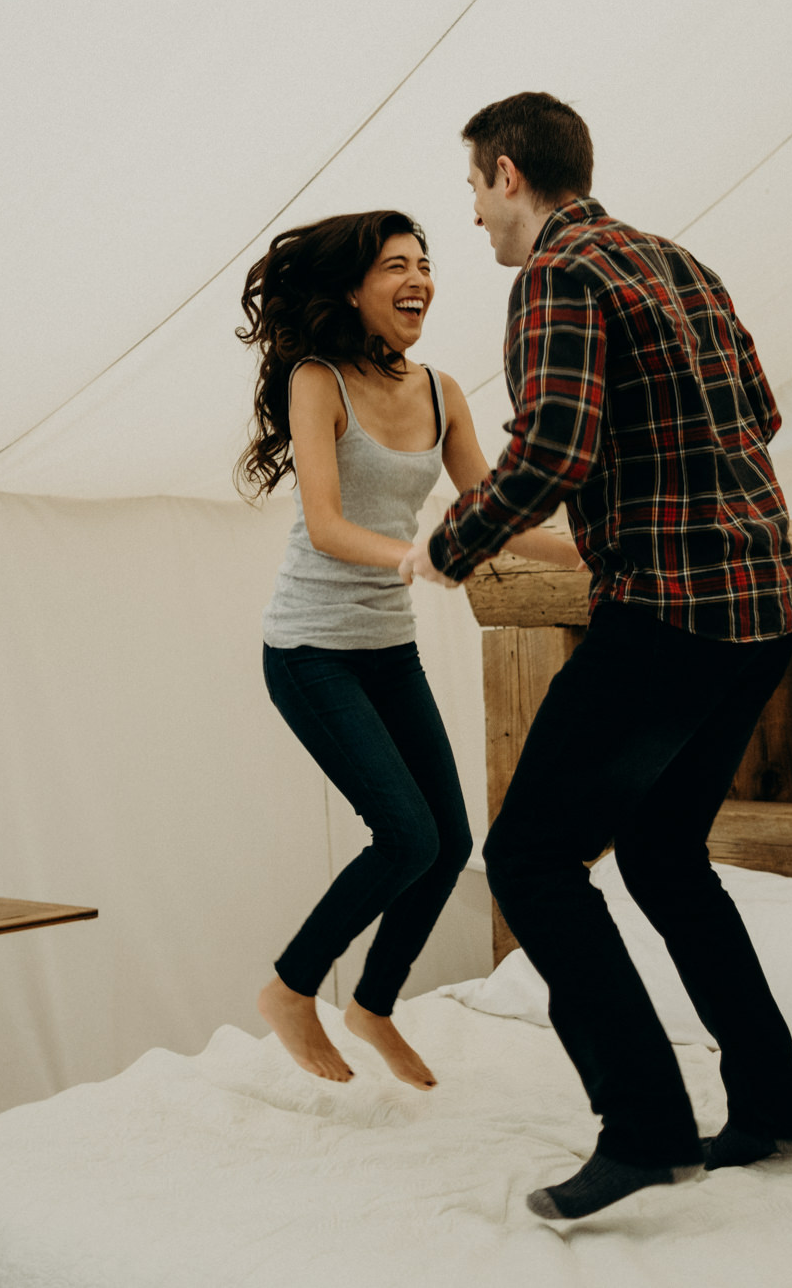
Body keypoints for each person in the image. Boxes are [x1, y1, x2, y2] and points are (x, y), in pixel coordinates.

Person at [399, 93, 792, 1218]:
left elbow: (552, 453)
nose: (477, 225)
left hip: (671, 611)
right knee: (664, 856)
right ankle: (773, 1102)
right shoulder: (682, 262)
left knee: (532, 858)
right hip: (765, 606)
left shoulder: (556, 276)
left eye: (475, 198)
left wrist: (451, 547)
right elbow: (759, 418)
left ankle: (644, 1125)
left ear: (504, 173)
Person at [237, 209, 582, 1091]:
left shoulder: (442, 390)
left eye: (424, 262)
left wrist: (595, 551)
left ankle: (373, 1005)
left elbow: (490, 512)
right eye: (395, 264)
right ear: (353, 289)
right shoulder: (318, 381)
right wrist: (413, 556)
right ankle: (290, 988)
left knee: (449, 837)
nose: (417, 278)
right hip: (311, 649)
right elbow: (324, 523)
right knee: (404, 835)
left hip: (387, 649)